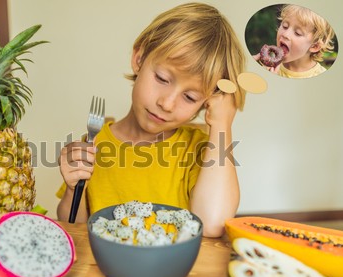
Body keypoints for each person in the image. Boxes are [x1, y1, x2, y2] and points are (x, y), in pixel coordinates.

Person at [57, 2, 246, 238]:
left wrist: (221, 125)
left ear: (207, 102)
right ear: (139, 58)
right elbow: (73, 227)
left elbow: (213, 223)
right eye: (162, 78)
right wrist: (73, 188)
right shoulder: (94, 142)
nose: (167, 104)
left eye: (189, 97)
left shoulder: (200, 149)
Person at [254, 4, 335, 78]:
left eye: (297, 33)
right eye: (285, 26)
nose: (285, 34)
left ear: (314, 46)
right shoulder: (266, 68)